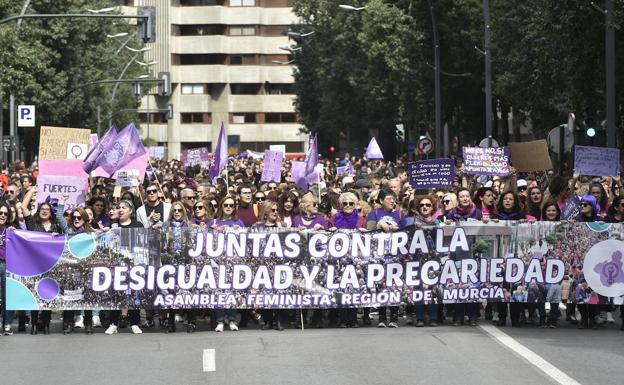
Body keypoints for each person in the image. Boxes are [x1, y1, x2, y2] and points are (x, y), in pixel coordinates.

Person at [56, 194, 95, 335]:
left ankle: (88, 323)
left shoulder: (92, 234)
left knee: (88, 297)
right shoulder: (69, 231)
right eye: (74, 218)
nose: (76, 220)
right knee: (70, 296)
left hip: (86, 270)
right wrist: (62, 201)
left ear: (85, 218)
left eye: (79, 217)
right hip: (70, 270)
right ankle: (68, 323)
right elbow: (59, 218)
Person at [367, 189, 405, 328]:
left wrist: (398, 230)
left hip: (396, 256)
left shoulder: (400, 214)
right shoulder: (375, 213)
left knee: (394, 286)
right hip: (379, 256)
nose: (392, 201)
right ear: (381, 200)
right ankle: (382, 317)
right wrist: (379, 225)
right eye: (389, 198)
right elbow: (369, 229)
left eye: (393, 198)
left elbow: (406, 231)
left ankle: (394, 317)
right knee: (381, 286)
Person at [105, 200, 143, 335]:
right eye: (118, 207)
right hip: (116, 266)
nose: (120, 210)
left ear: (130, 211)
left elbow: (143, 244)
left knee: (134, 294)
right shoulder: (112, 225)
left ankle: (134, 323)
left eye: (123, 207)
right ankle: (113, 323)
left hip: (133, 266)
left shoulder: (137, 225)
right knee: (116, 294)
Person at [210, 196, 243, 332]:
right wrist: (210, 231)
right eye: (226, 205)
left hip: (232, 262)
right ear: (221, 207)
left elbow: (245, 242)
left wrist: (239, 232)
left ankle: (232, 319)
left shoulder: (238, 222)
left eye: (231, 205)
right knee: (217, 291)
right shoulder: (214, 222)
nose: (228, 207)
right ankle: (219, 320)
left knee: (232, 290)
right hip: (216, 262)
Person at [0, 202, 16, 335]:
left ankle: (7, 324)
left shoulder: (12, 230)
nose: (3, 215)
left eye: (5, 213)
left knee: (8, 297)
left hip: (7, 265)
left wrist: (16, 234)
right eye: (1, 213)